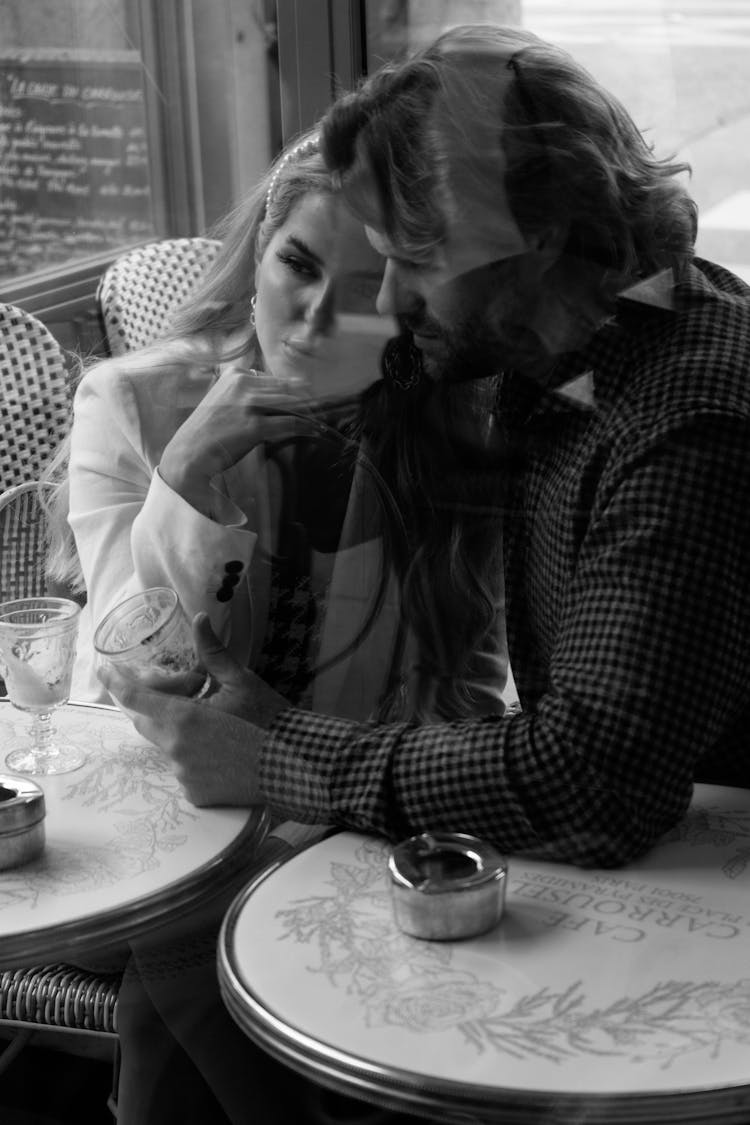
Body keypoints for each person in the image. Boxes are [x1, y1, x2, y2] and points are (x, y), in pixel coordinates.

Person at [105, 23, 750, 872]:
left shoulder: (687, 420)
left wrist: (278, 755)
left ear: (542, 239)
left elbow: (595, 781)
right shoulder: (568, 350)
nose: (391, 301)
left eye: (414, 261)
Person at [58, 126, 395, 712]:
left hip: (359, 785)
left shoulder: (434, 418)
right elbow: (140, 683)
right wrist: (184, 479)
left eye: (367, 289)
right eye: (299, 265)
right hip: (165, 778)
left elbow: (466, 682)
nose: (318, 319)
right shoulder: (127, 403)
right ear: (259, 254)